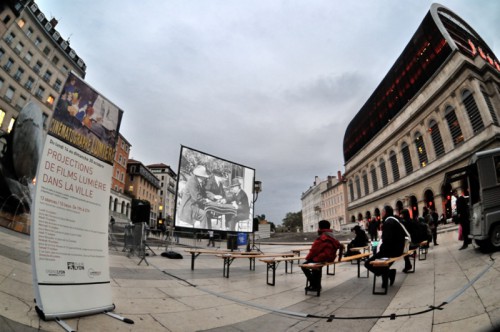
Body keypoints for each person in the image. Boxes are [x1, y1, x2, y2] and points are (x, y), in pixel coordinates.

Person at [365, 205, 406, 289]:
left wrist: (380, 251)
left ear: (385, 212)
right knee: (381, 262)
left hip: (392, 251)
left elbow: (387, 241)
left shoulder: (388, 223)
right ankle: (386, 277)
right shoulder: (394, 220)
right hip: (398, 249)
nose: (381, 213)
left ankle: (389, 273)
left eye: (382, 211)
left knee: (367, 263)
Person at [301, 220, 343, 292]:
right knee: (316, 266)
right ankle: (317, 285)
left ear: (320, 227)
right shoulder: (331, 235)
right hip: (330, 257)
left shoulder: (322, 237)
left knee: (304, 266)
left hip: (323, 257)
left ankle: (314, 284)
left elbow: (314, 250)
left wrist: (308, 258)